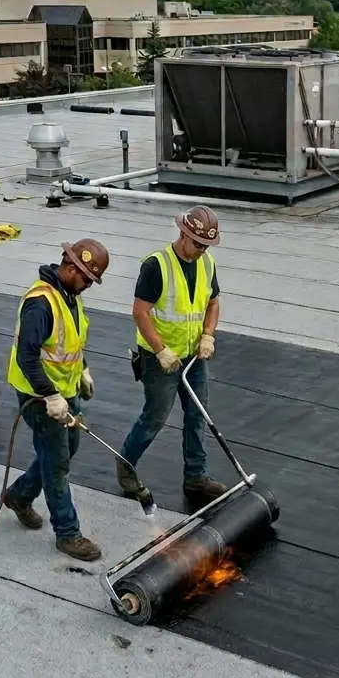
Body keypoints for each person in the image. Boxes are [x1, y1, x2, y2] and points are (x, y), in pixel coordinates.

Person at [4, 238, 109, 562]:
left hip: (65, 390)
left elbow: (70, 343)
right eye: (87, 279)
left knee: (67, 449)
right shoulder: (41, 302)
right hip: (38, 396)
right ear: (71, 267)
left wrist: (84, 371)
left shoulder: (70, 296)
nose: (88, 286)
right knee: (57, 461)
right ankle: (67, 533)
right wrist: (50, 396)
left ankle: (20, 495)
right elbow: (27, 357)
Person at [117, 206, 228, 502]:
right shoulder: (157, 266)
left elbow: (213, 303)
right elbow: (140, 313)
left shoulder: (207, 263)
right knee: (155, 417)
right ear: (182, 233)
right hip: (160, 359)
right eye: (196, 244)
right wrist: (160, 350)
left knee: (197, 415)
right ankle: (126, 464)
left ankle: (196, 476)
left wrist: (208, 335)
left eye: (206, 246)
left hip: (193, 356)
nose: (200, 251)